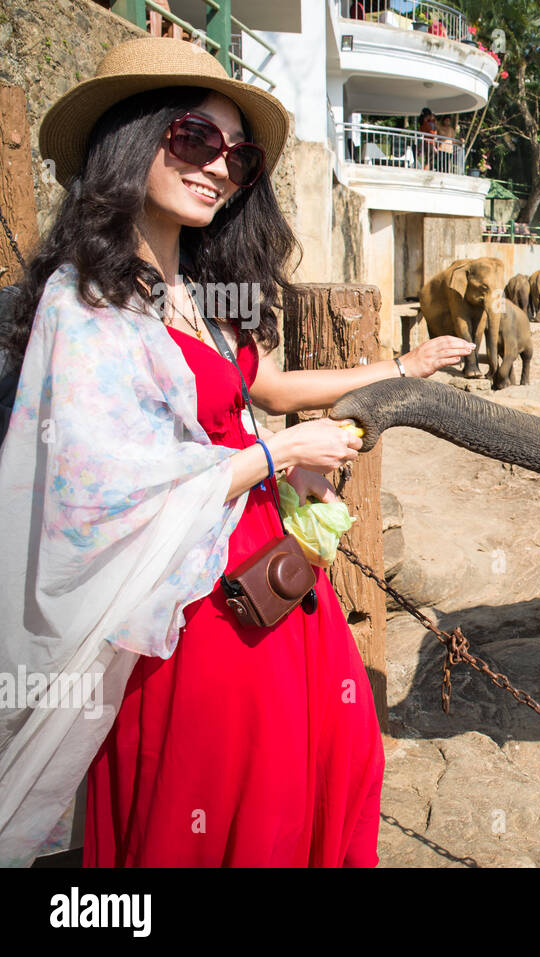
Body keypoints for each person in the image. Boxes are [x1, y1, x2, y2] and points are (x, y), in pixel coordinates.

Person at [0, 37, 475, 867]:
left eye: (238, 156)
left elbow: (263, 388)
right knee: (228, 798)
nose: (218, 167)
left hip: (271, 580)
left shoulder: (191, 293)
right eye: (193, 139)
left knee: (333, 755)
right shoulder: (88, 303)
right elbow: (97, 487)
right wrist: (278, 454)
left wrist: (401, 366)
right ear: (130, 139)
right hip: (190, 609)